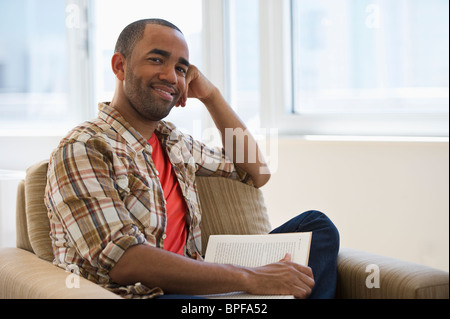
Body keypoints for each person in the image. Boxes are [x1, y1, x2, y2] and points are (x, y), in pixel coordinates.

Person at [45, 18, 339, 299]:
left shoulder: (173, 142)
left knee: (317, 227)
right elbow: (124, 259)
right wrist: (250, 277)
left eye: (182, 69)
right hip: (142, 294)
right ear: (120, 66)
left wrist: (211, 95)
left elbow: (257, 172)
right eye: (157, 60)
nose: (171, 77)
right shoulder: (85, 146)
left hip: (194, 284)